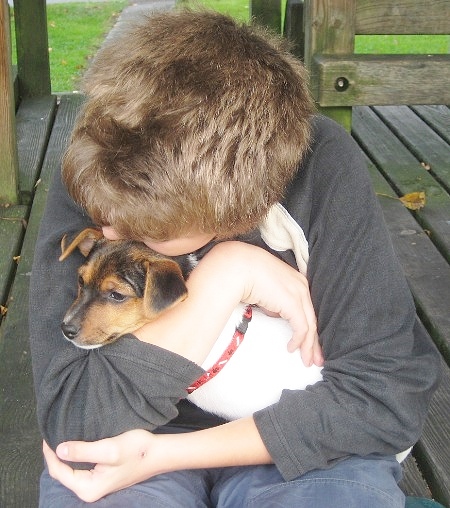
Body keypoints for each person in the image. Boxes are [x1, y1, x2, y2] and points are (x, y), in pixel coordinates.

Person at [29, 9, 440, 507]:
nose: (109, 232)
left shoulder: (321, 167)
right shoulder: (105, 164)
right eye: (103, 217)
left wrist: (163, 455)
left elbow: (382, 399)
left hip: (307, 433)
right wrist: (225, 277)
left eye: (146, 230)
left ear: (235, 215)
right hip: (127, 429)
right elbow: (76, 422)